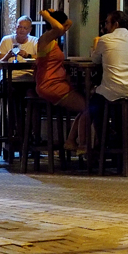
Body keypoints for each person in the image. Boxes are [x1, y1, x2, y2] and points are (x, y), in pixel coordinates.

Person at [34, 9, 89, 152]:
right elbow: (59, 27)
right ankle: (83, 145)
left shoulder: (52, 40)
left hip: (57, 83)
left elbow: (68, 23)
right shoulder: (45, 39)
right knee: (87, 108)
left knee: (86, 106)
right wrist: (46, 16)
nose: (64, 29)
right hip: (51, 84)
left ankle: (71, 141)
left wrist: (53, 14)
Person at [90, 10, 128, 138]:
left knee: (93, 104)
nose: (105, 26)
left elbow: (95, 60)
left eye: (107, 23)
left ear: (115, 24)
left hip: (112, 93)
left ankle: (105, 143)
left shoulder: (104, 39)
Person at [0, 15, 37, 80]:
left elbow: (42, 59)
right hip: (9, 77)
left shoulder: (34, 41)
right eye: (19, 27)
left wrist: (27, 55)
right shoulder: (6, 40)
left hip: (28, 77)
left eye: (25, 28)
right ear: (15, 27)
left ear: (30, 30)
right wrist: (8, 56)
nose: (22, 30)